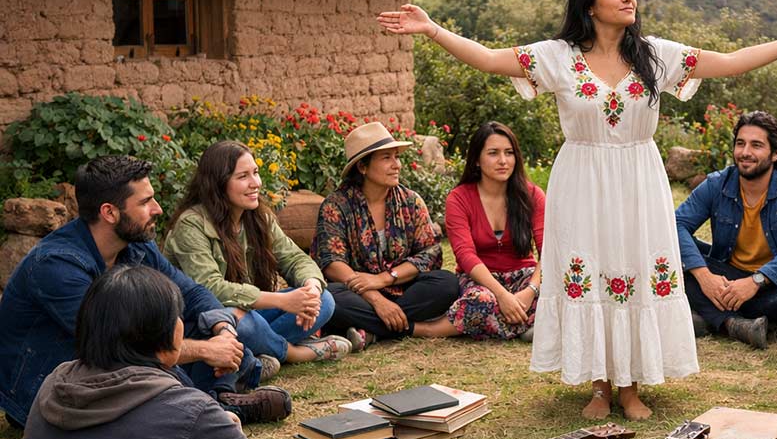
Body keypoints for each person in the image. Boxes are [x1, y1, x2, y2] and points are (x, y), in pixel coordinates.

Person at [378, 0, 777, 420]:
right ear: (590, 3)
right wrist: (432, 29)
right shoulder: (557, 56)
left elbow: (728, 62)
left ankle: (631, 386)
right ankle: (600, 385)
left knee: (636, 270)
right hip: (581, 181)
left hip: (638, 180)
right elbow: (487, 58)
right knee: (594, 270)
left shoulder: (655, 55)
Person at [0, 156, 290, 428]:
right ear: (109, 212)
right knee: (155, 355)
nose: (158, 209)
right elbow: (115, 347)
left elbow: (191, 293)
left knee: (201, 322)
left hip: (118, 367)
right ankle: (213, 408)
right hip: (47, 391)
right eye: (146, 202)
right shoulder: (57, 266)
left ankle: (219, 400)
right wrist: (206, 350)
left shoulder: (135, 243)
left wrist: (223, 330)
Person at [16, 265, 339, 439]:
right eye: (178, 317)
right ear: (163, 333)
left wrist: (213, 430)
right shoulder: (187, 413)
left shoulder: (56, 383)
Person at [163, 141, 348, 366]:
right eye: (243, 177)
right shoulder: (191, 225)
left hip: (251, 314)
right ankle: (295, 353)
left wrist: (310, 288)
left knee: (324, 300)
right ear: (218, 183)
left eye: (256, 173)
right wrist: (282, 300)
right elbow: (210, 288)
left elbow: (294, 258)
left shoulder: (258, 217)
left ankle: (258, 355)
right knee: (242, 321)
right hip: (211, 324)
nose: (255, 183)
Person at [674, 111, 777, 349]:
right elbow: (677, 224)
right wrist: (705, 276)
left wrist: (756, 281)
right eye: (740, 143)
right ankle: (733, 324)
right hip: (730, 275)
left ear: (776, 153)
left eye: (756, 145)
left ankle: (712, 315)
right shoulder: (717, 183)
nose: (745, 152)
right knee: (671, 262)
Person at [312, 122, 460, 344]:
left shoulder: (410, 200)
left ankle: (370, 330)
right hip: (357, 292)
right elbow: (331, 262)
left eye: (396, 157)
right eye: (386, 158)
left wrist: (382, 280)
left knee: (447, 283)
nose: (397, 165)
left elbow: (429, 253)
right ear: (362, 167)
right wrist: (375, 298)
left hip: (401, 286)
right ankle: (411, 327)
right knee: (329, 297)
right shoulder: (336, 205)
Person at [413, 122, 546, 340]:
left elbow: (548, 250)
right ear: (476, 159)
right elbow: (465, 256)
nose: (503, 161)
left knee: (559, 291)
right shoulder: (459, 198)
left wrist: (531, 291)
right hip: (479, 281)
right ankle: (424, 330)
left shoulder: (533, 195)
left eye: (509, 153)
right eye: (493, 153)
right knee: (480, 302)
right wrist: (502, 296)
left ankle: (502, 323)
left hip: (524, 277)